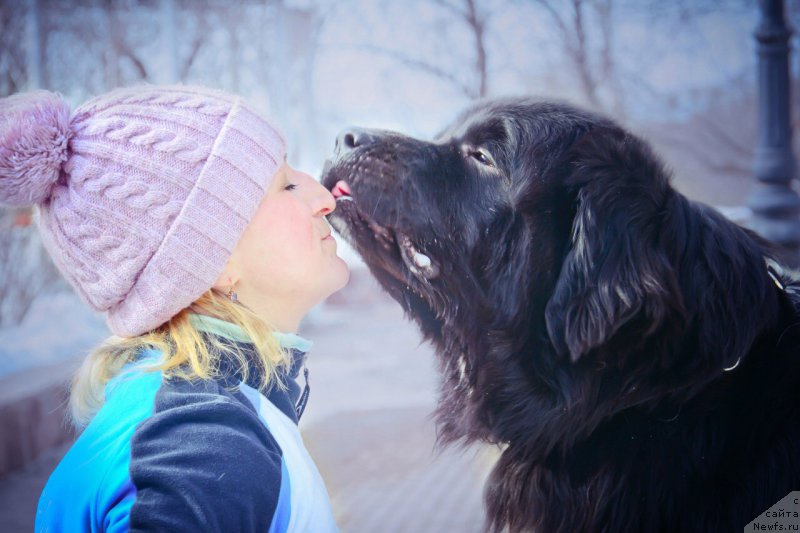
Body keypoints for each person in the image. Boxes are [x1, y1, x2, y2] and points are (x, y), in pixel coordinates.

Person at [0, 85, 349, 532]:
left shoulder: (194, 414)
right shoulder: (205, 447)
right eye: (287, 185)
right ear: (215, 259)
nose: (325, 198)